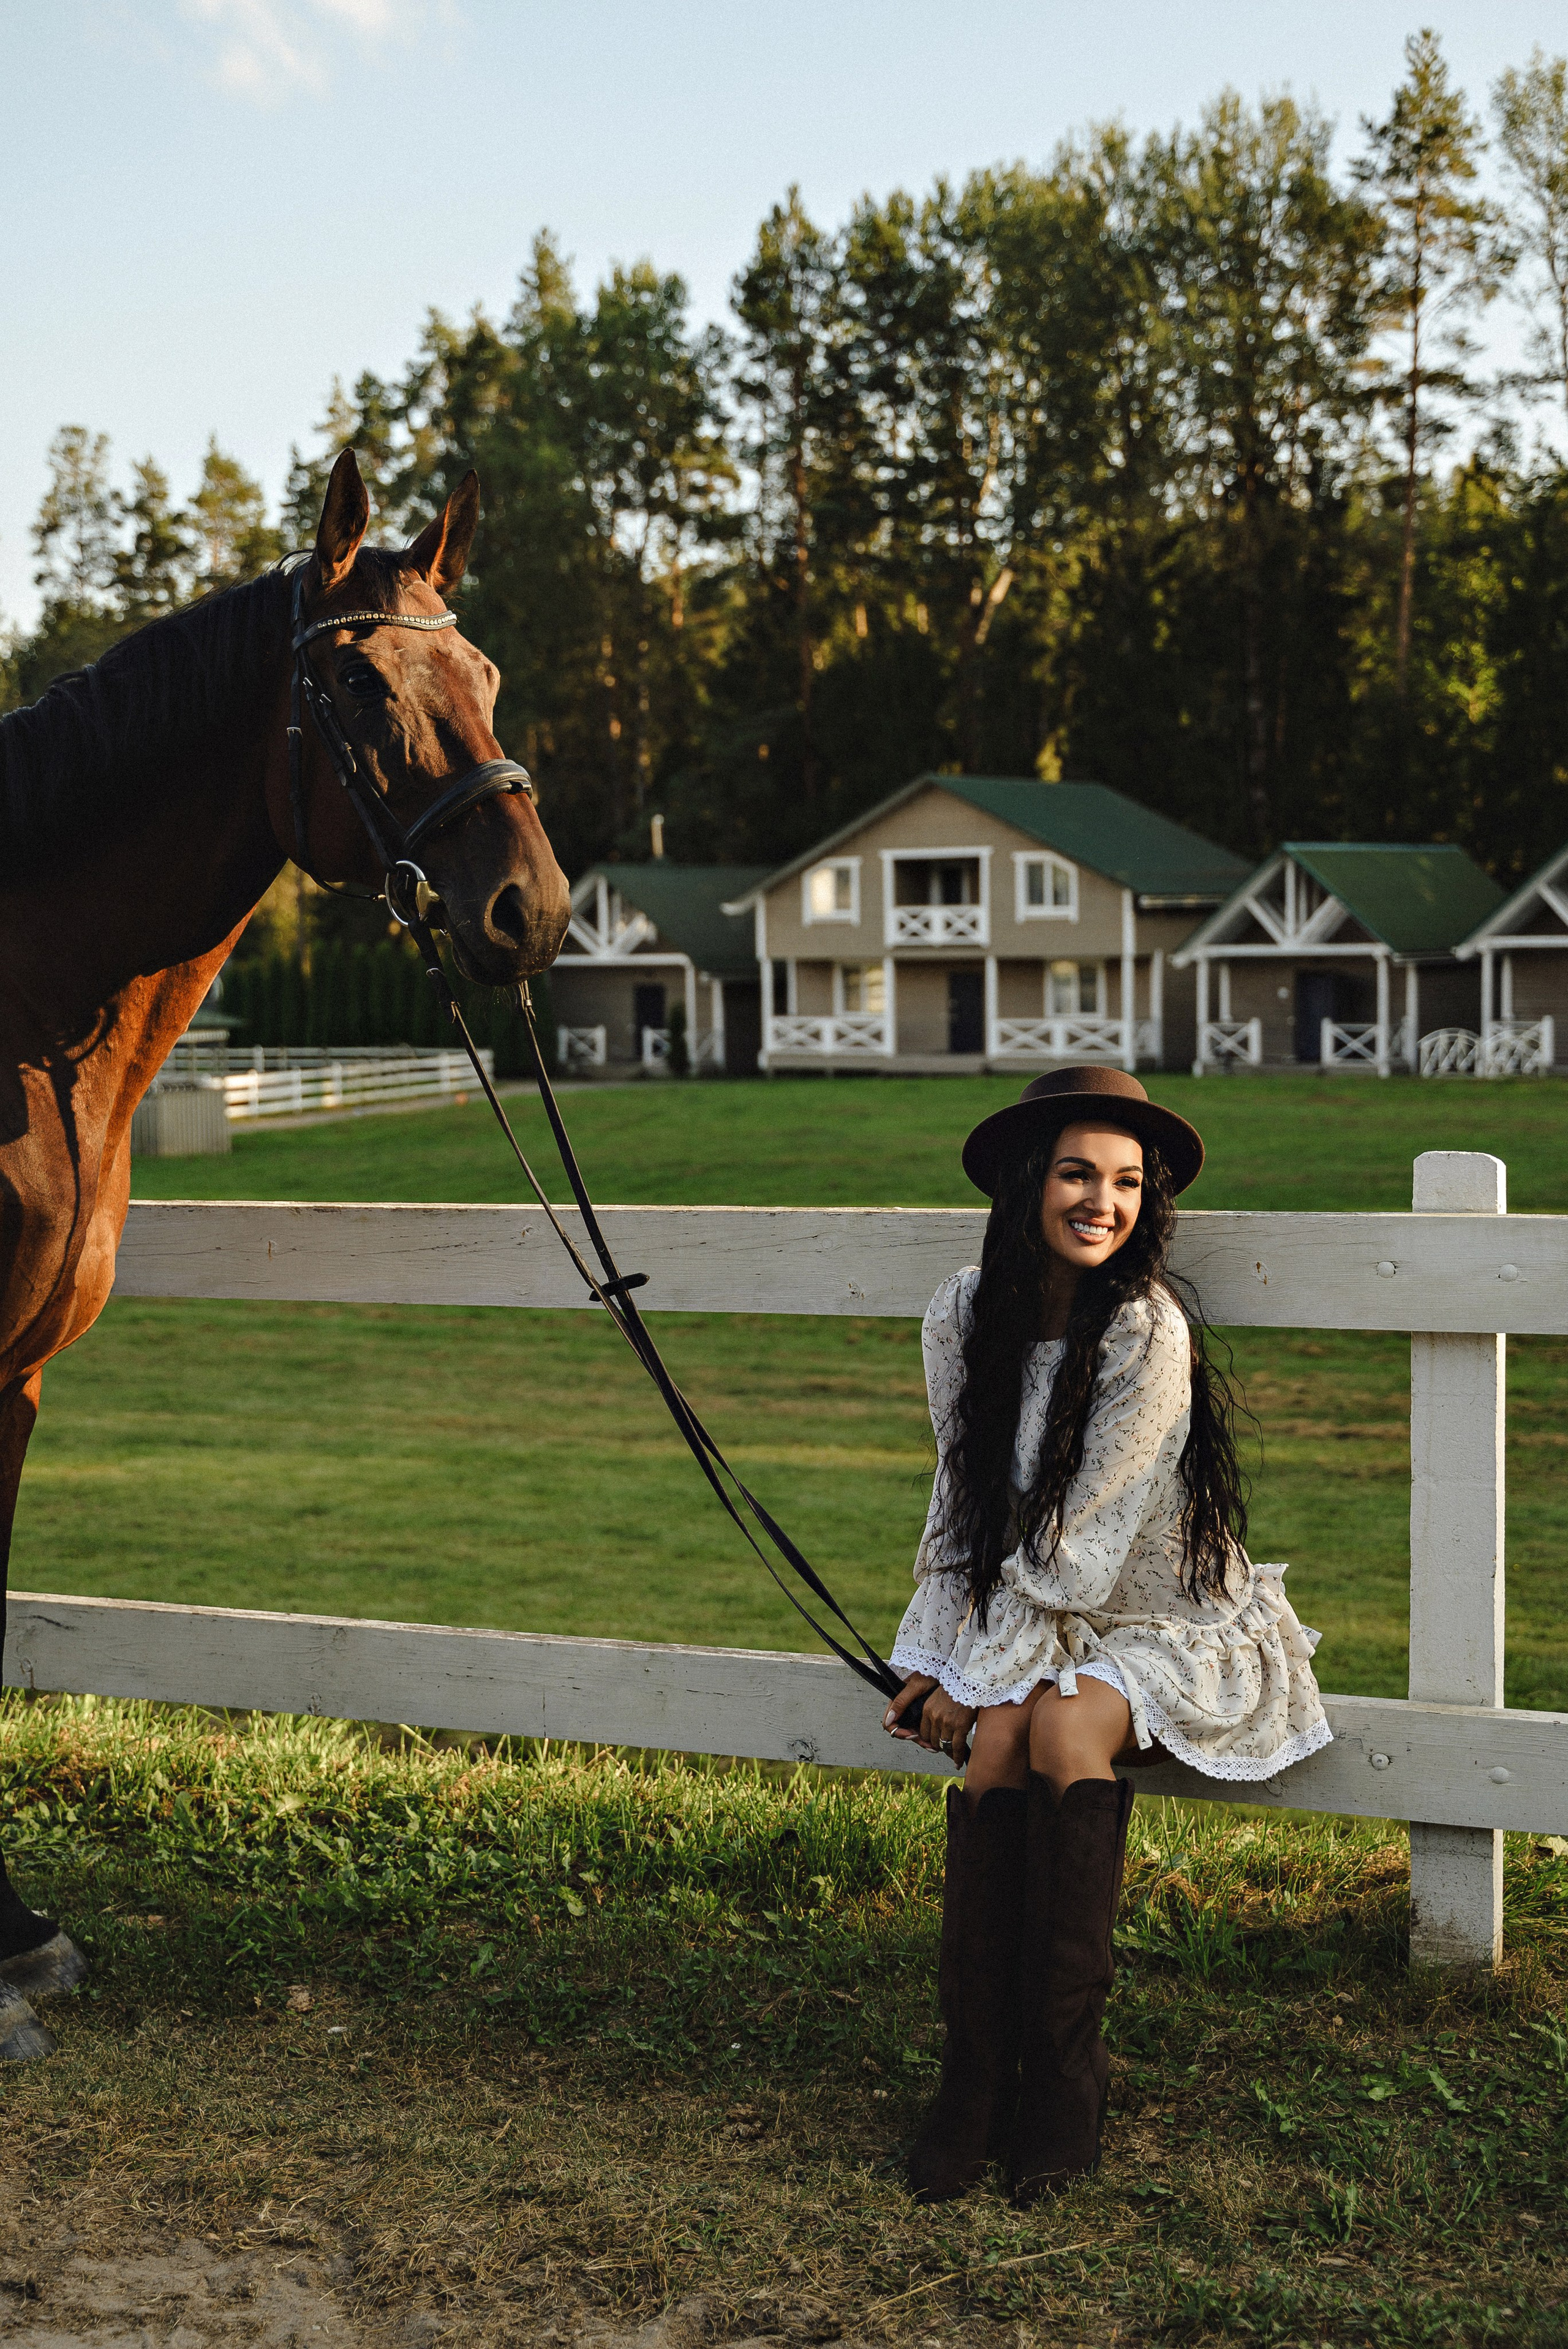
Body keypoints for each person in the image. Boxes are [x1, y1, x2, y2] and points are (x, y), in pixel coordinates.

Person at [883, 1066, 1329, 2206]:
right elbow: (963, 1502)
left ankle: (1062, 2086)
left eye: (1129, 1182)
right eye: (1080, 1172)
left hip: (1159, 1616)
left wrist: (983, 1671)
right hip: (1037, 1604)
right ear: (1031, 1180)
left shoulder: (1143, 1326)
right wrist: (933, 1661)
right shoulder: (963, 1312)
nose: (1104, 1201)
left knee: (1063, 1735)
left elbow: (1087, 1544)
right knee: (992, 1750)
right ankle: (974, 2082)